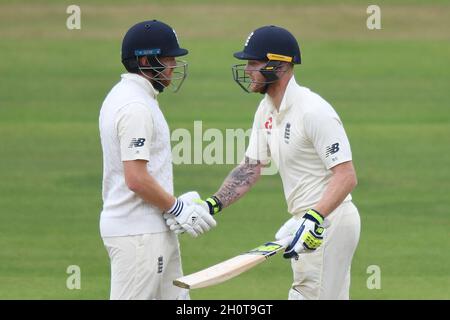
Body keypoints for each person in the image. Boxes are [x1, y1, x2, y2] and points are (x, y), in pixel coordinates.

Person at [167, 25, 360, 300]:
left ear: (279, 66)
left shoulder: (314, 111)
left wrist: (313, 217)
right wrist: (211, 205)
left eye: (254, 63)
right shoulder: (267, 108)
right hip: (305, 222)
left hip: (329, 221)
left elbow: (346, 175)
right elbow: (250, 168)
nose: (247, 70)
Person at [99, 19, 216, 300]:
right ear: (146, 60)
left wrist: (173, 202)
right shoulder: (135, 106)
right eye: (168, 59)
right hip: (139, 235)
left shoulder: (131, 96)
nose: (174, 66)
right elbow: (136, 179)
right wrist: (176, 208)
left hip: (151, 230)